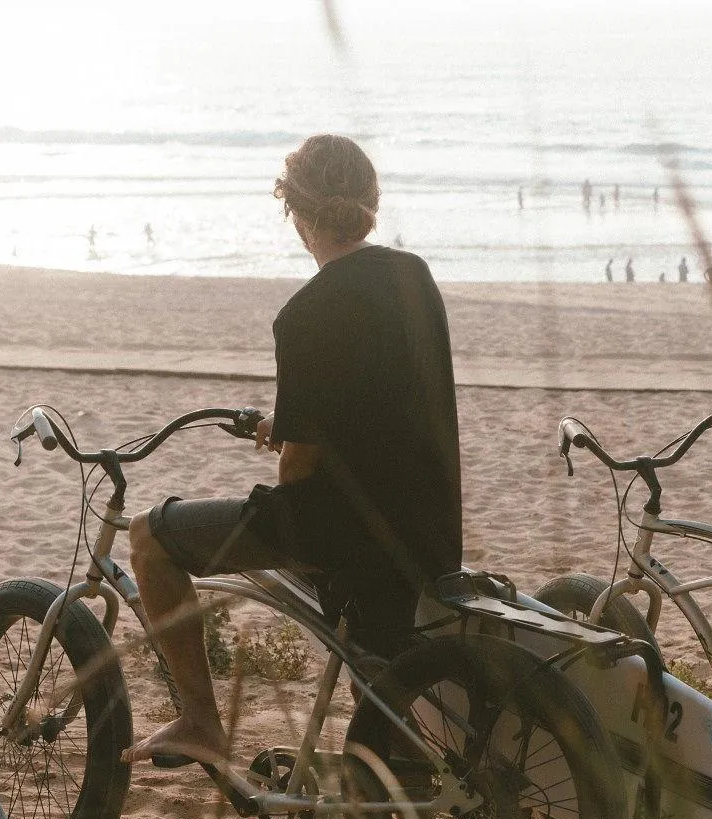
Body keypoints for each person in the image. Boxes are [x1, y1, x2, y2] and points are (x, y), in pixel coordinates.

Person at [121, 134, 462, 768]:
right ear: (371, 201)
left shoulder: (307, 312)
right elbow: (386, 403)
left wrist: (294, 440)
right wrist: (297, 423)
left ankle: (199, 721)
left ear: (299, 216)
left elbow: (298, 470)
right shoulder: (414, 276)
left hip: (340, 535)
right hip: (428, 527)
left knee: (149, 537)